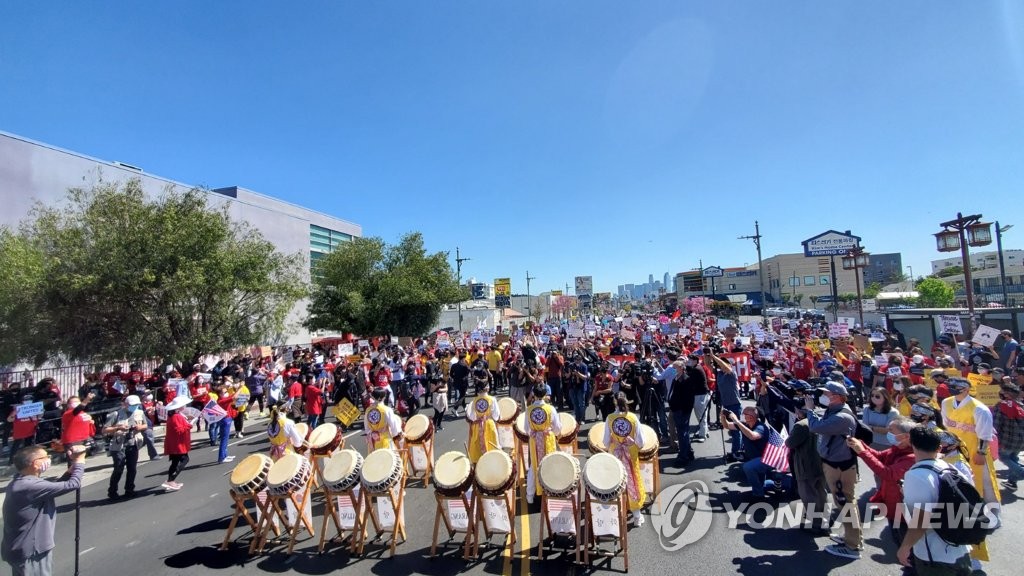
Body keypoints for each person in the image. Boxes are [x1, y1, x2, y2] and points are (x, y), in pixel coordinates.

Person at [940, 377, 1000, 566]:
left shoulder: (979, 408)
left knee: (979, 490)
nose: (952, 390)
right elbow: (946, 426)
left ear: (966, 390)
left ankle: (987, 521)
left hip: (974, 453)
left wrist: (982, 452)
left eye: (956, 387)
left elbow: (985, 434)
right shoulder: (946, 402)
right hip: (953, 452)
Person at [897, 426, 973, 575]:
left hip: (935, 555)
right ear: (939, 448)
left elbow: (920, 521)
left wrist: (904, 547)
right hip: (960, 548)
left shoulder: (915, 476)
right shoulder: (950, 467)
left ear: (912, 445)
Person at [2, 445, 86, 576]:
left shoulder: (20, 482)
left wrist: (71, 471)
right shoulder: (30, 486)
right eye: (46, 457)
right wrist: (80, 461)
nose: (49, 459)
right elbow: (73, 484)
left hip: (20, 549)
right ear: (35, 463)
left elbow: (51, 489)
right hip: (32, 551)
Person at [803, 381, 862, 559]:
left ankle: (852, 547)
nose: (824, 397)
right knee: (844, 503)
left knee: (846, 504)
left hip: (840, 467)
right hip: (835, 463)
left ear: (838, 397)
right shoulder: (835, 411)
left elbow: (815, 427)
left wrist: (810, 410)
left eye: (827, 394)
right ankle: (851, 537)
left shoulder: (842, 417)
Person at [846, 417, 917, 547]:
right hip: (891, 503)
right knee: (896, 538)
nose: (888, 433)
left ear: (906, 436)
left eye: (891, 431)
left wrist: (862, 452)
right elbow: (879, 456)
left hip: (902, 509)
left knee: (904, 541)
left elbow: (887, 473)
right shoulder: (897, 448)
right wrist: (862, 446)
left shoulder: (911, 458)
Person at [603, 393, 646, 526]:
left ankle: (614, 513)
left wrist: (614, 443)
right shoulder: (633, 417)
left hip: (616, 453)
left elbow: (605, 441)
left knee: (616, 481)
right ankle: (637, 515)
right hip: (630, 453)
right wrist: (633, 445)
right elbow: (641, 442)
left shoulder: (610, 418)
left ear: (615, 402)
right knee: (633, 480)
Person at [786, 403, 827, 534]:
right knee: (821, 492)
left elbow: (789, 443)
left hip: (805, 465)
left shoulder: (801, 425)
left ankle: (816, 524)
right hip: (820, 463)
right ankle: (824, 519)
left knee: (808, 495)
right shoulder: (820, 421)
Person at [103, 395, 148, 500]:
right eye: (132, 405)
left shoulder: (140, 413)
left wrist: (139, 427)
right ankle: (112, 491)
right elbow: (104, 430)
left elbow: (146, 425)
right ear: (126, 404)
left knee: (132, 468)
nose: (135, 407)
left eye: (136, 405)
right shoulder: (116, 414)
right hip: (119, 445)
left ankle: (129, 489)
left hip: (133, 443)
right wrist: (118, 427)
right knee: (118, 468)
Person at [721, 407, 770, 500]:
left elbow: (752, 436)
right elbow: (727, 426)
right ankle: (778, 483)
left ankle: (758, 495)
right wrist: (723, 416)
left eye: (744, 414)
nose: (742, 416)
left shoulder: (761, 427)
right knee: (762, 484)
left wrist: (736, 420)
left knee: (748, 467)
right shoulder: (745, 425)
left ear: (751, 417)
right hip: (755, 459)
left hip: (765, 460)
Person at [525, 383, 562, 505]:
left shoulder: (529, 409)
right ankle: (551, 490)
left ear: (533, 395)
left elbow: (527, 429)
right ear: (545, 394)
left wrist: (536, 432)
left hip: (535, 439)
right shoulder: (550, 409)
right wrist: (550, 432)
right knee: (550, 464)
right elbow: (557, 428)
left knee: (534, 466)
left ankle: (530, 495)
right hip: (547, 438)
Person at [708, 351, 743, 462]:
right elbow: (708, 365)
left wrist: (714, 356)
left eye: (723, 364)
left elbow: (726, 367)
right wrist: (707, 355)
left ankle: (736, 452)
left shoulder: (731, 373)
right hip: (726, 404)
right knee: (730, 429)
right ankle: (735, 451)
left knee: (735, 430)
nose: (721, 366)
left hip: (734, 404)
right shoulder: (720, 374)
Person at [993, 382, 1024, 490]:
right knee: (1013, 459)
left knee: (1004, 457)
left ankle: (1021, 473)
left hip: (1006, 441)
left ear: (1007, 394)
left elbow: (995, 425)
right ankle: (1012, 482)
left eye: (1002, 391)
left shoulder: (1001, 405)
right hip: (1020, 441)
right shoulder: (1020, 405)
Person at [162, 395, 195, 491]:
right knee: (184, 460)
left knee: (175, 462)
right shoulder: (176, 416)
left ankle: (170, 481)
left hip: (175, 443)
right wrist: (189, 425)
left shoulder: (174, 415)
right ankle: (170, 480)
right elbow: (179, 429)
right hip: (178, 444)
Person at [466, 380, 500, 463]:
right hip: (488, 424)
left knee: (477, 444)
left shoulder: (474, 401)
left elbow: (471, 416)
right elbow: (496, 415)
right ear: (487, 388)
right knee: (491, 442)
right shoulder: (492, 399)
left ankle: (478, 464)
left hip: (477, 426)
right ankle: (492, 462)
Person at [364, 387, 403, 453]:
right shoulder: (386, 409)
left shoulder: (368, 410)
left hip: (373, 439)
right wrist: (397, 434)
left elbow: (367, 427)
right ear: (383, 397)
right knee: (388, 458)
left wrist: (371, 433)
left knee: (374, 459)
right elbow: (394, 426)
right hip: (385, 438)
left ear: (373, 397)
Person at [59, 393, 96, 459]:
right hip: (73, 441)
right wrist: (87, 399)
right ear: (68, 405)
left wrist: (91, 422)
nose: (75, 403)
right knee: (73, 462)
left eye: (77, 401)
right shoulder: (68, 413)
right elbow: (78, 409)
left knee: (81, 461)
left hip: (84, 439)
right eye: (73, 402)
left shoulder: (83, 413)